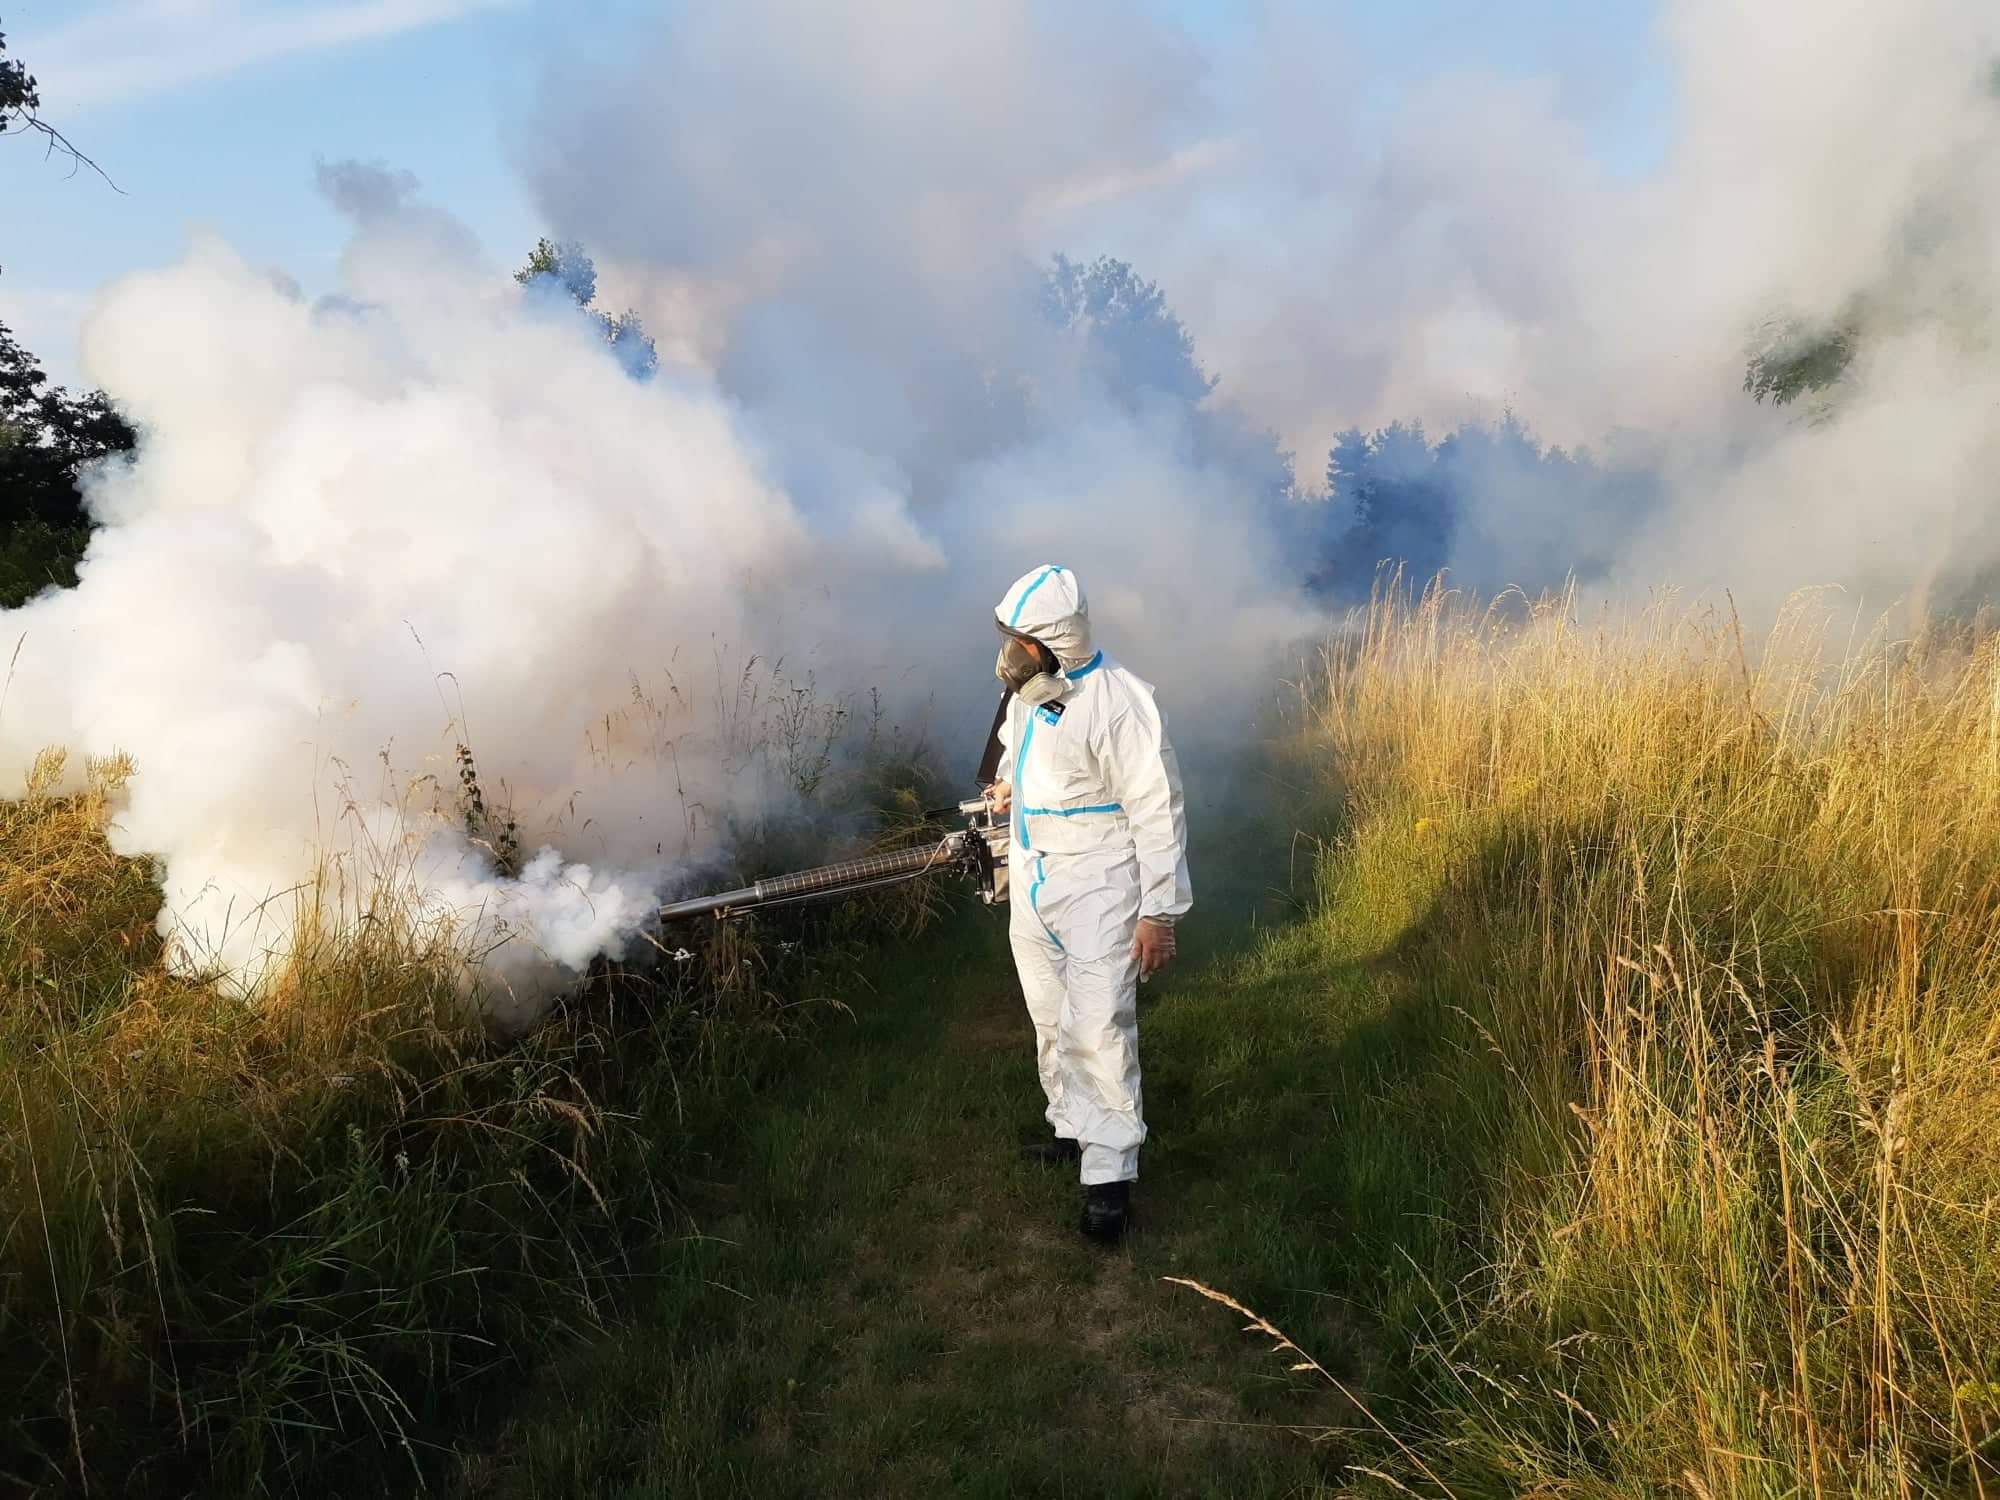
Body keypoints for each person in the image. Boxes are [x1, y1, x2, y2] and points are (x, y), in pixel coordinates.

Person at [985, 564, 1191, 1242]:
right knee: (1052, 1016)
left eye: (1020, 640)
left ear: (1054, 640)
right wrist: (1007, 791)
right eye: (1006, 637)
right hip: (1037, 875)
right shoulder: (1029, 694)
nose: (1008, 654)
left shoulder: (1120, 701)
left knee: (1099, 1024)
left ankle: (1109, 1177)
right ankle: (1073, 1128)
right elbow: (1021, 754)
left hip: (1101, 879)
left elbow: (1158, 808)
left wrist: (1158, 911)